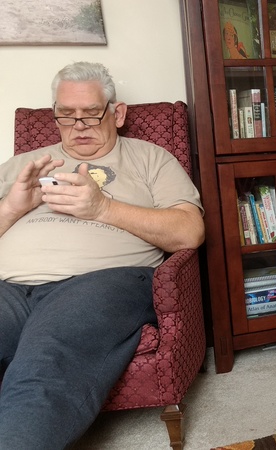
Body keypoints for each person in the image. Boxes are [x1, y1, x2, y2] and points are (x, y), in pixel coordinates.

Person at [0, 62, 205, 448]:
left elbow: (189, 232)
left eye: (92, 113)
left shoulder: (150, 158)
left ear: (117, 112)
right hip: (7, 287)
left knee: (45, 363)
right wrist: (11, 208)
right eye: (66, 114)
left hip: (102, 283)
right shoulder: (22, 166)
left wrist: (102, 209)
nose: (79, 125)